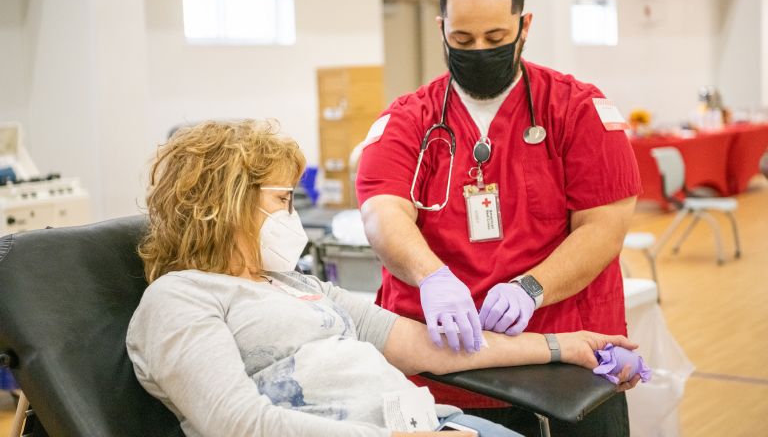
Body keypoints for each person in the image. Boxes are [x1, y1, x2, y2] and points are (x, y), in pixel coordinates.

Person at [126, 120, 639, 437]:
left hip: (420, 422)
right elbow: (237, 426)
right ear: (226, 204)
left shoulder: (295, 284)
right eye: (282, 199)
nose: (292, 215)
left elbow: (422, 346)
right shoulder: (181, 298)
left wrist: (562, 345)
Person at [355, 0, 642, 435]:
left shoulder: (577, 109)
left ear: (524, 26)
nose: (479, 51)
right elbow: (382, 211)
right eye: (463, 41)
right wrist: (432, 279)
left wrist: (532, 288)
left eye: (495, 38)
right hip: (446, 362)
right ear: (442, 28)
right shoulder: (410, 118)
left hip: (568, 355)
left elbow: (605, 226)